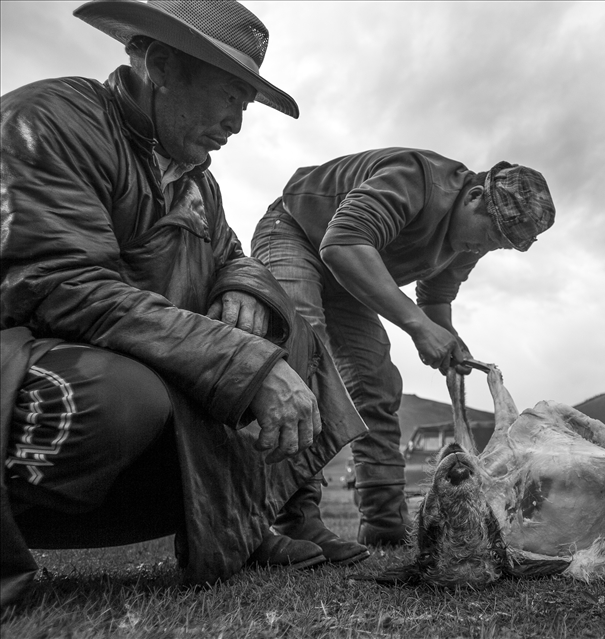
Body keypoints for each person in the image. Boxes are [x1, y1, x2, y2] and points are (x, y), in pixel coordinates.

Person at [0, 0, 368, 608]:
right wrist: (242, 364)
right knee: (118, 397)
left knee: (291, 333)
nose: (237, 124)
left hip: (134, 353)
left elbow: (230, 253)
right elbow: (64, 287)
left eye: (245, 105)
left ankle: (257, 521)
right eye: (230, 97)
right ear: (162, 65)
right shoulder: (49, 119)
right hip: (32, 354)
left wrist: (243, 286)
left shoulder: (200, 180)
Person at [250, 148, 556, 546]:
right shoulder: (415, 178)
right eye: (491, 235)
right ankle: (295, 519)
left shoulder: (468, 242)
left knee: (375, 385)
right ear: (475, 196)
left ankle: (384, 524)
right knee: (303, 355)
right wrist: (418, 327)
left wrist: (447, 336)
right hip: (297, 234)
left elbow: (435, 300)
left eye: (500, 245)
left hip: (348, 273)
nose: (487, 247)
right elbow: (342, 244)